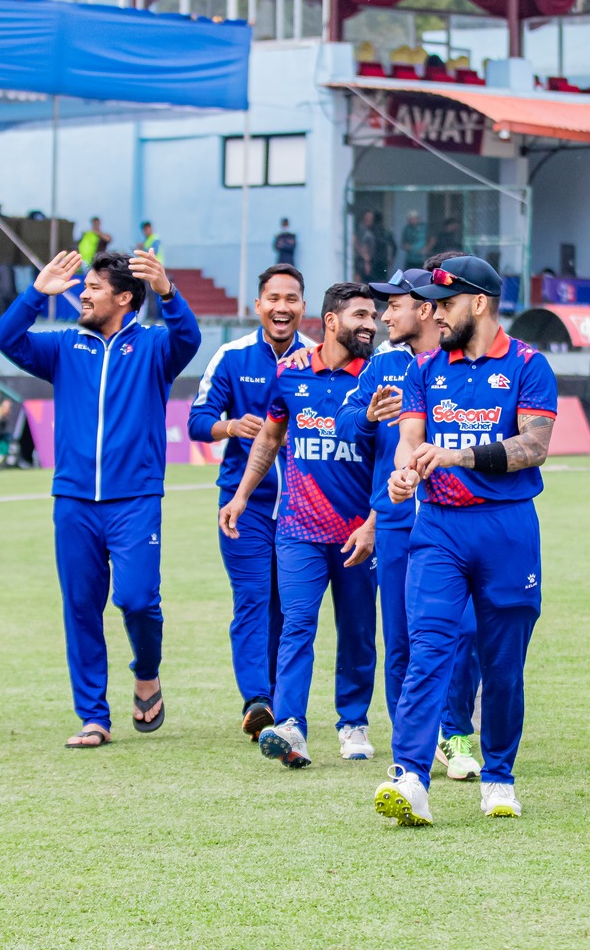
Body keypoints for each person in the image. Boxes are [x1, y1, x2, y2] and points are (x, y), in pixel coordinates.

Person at [372, 255, 557, 826]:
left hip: (507, 529)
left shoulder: (528, 364)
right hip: (439, 528)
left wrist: (458, 456)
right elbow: (410, 440)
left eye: (446, 304)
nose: (435, 315)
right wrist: (404, 474)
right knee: (428, 649)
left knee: (502, 666)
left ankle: (499, 778)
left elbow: (534, 447)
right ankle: (410, 778)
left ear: (479, 302)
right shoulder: (425, 368)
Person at [0, 248, 200, 747]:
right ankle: (93, 717)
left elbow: (188, 339)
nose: (82, 295)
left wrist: (168, 292)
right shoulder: (64, 346)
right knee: (81, 608)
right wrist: (34, 294)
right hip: (73, 501)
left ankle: (146, 671)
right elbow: (6, 339)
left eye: (92, 288)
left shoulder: (154, 346)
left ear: (124, 297)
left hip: (135, 500)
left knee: (137, 600)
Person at [218, 283, 381, 767]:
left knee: (357, 632)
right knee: (296, 626)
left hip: (356, 534)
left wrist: (375, 524)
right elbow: (270, 438)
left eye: (373, 316)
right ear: (331, 321)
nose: (370, 325)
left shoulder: (378, 377)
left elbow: (391, 456)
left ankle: (353, 723)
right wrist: (241, 495)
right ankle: (290, 726)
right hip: (299, 531)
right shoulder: (289, 374)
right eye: (360, 315)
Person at [338, 264, 484, 782]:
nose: (384, 316)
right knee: (402, 639)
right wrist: (368, 416)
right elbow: (344, 422)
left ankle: (454, 730)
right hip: (398, 521)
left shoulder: (463, 361)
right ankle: (412, 747)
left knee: (465, 632)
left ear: (425, 309)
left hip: (460, 518)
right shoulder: (383, 364)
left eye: (393, 305)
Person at [188, 265, 313, 736]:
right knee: (253, 599)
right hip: (246, 506)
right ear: (258, 305)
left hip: (304, 508)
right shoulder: (232, 356)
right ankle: (257, 701)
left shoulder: (318, 358)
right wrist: (230, 426)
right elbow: (197, 420)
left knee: (289, 607)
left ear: (303, 307)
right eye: (273, 298)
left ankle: (282, 701)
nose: (282, 307)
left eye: (291, 298)